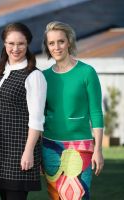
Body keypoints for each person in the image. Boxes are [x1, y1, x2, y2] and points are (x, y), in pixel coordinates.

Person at [42, 21, 104, 200]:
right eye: (51, 43)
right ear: (47, 46)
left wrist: (98, 149)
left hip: (81, 146)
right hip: (50, 147)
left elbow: (96, 113)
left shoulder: (86, 72)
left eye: (60, 41)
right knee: (57, 196)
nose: (56, 47)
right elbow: (41, 116)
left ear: (69, 41)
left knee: (78, 195)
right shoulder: (44, 77)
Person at [0, 23, 47, 200]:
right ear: (4, 44)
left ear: (27, 44)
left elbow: (37, 119)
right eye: (11, 43)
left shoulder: (34, 76)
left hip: (20, 150)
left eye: (21, 44)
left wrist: (28, 151)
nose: (15, 48)